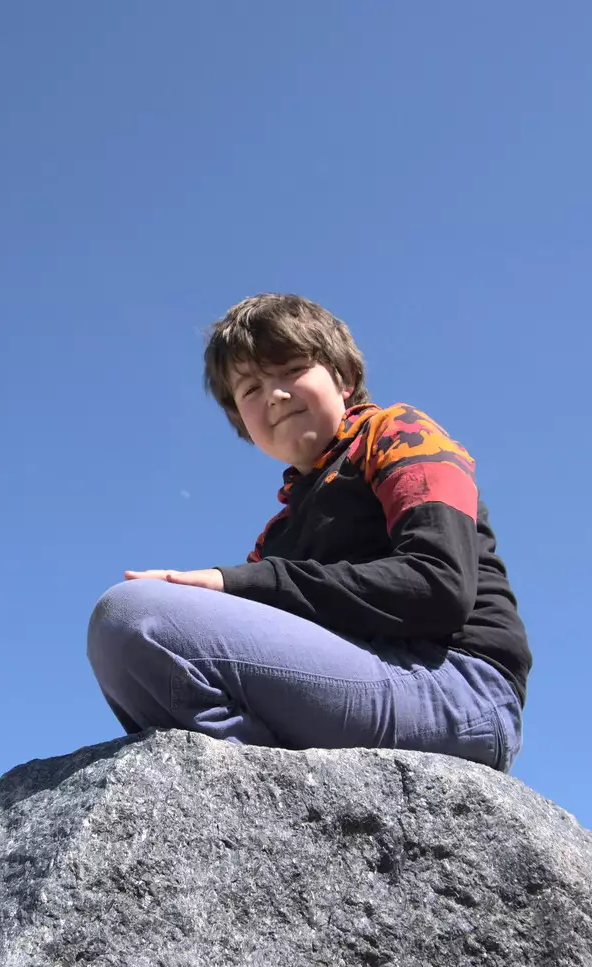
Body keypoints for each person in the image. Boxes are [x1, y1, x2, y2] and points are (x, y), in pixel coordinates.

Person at [86, 293, 532, 771]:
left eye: (291, 368)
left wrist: (234, 582)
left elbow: (439, 585)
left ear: (343, 377)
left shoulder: (398, 434)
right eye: (250, 389)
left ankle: (271, 795)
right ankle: (273, 799)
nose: (275, 394)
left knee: (138, 619)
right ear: (241, 420)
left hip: (457, 685)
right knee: (128, 651)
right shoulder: (278, 533)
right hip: (361, 680)